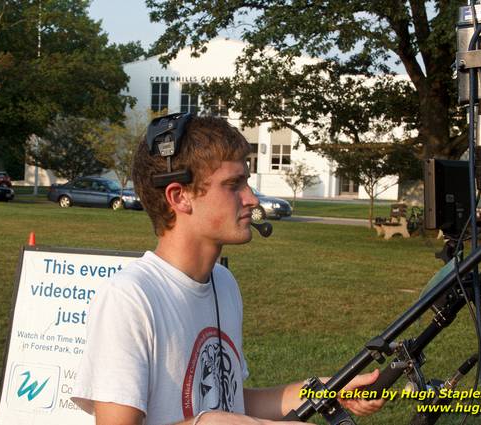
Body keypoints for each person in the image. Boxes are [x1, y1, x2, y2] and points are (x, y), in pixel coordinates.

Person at [72, 114, 384, 424]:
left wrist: (320, 390)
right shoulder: (130, 297)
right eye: (233, 184)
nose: (251, 198)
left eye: (246, 181)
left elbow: (230, 402)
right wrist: (207, 423)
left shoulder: (223, 282)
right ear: (179, 197)